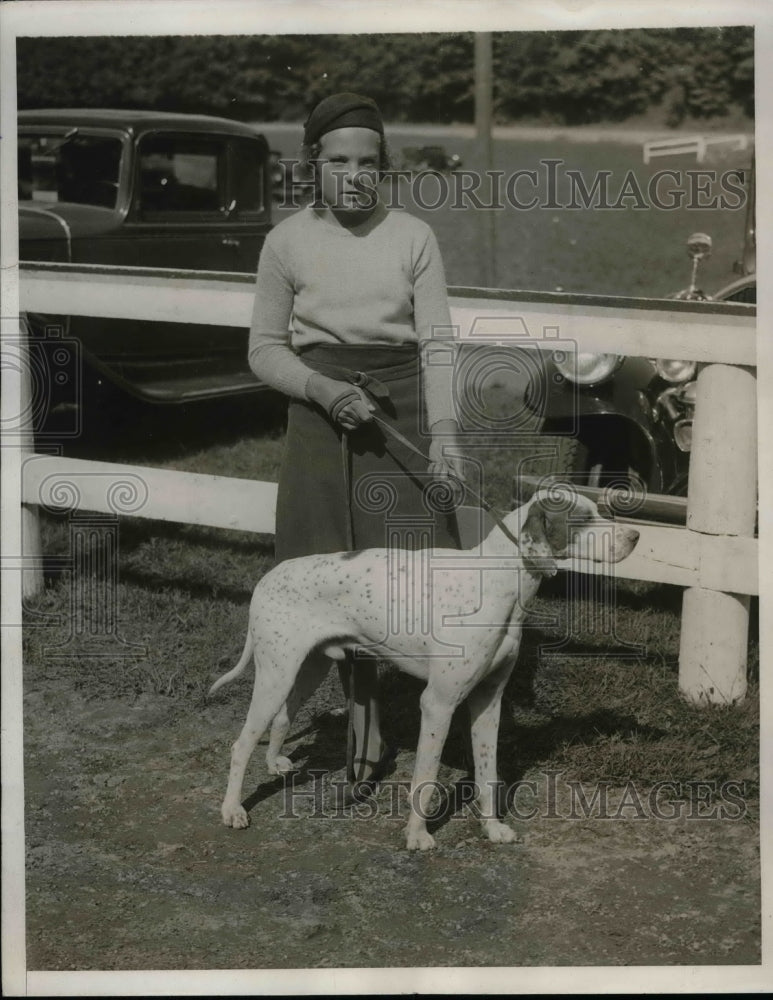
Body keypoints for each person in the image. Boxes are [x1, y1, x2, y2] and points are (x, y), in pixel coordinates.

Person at [248, 92, 465, 797]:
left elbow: (435, 342)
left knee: (404, 573)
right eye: (338, 161)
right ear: (311, 163)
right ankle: (354, 724)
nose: (353, 175)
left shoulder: (413, 237)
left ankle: (415, 717)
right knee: (324, 572)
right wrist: (318, 389)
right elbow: (263, 350)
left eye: (367, 162)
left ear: (384, 167)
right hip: (319, 416)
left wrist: (445, 435)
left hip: (396, 416)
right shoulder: (285, 241)